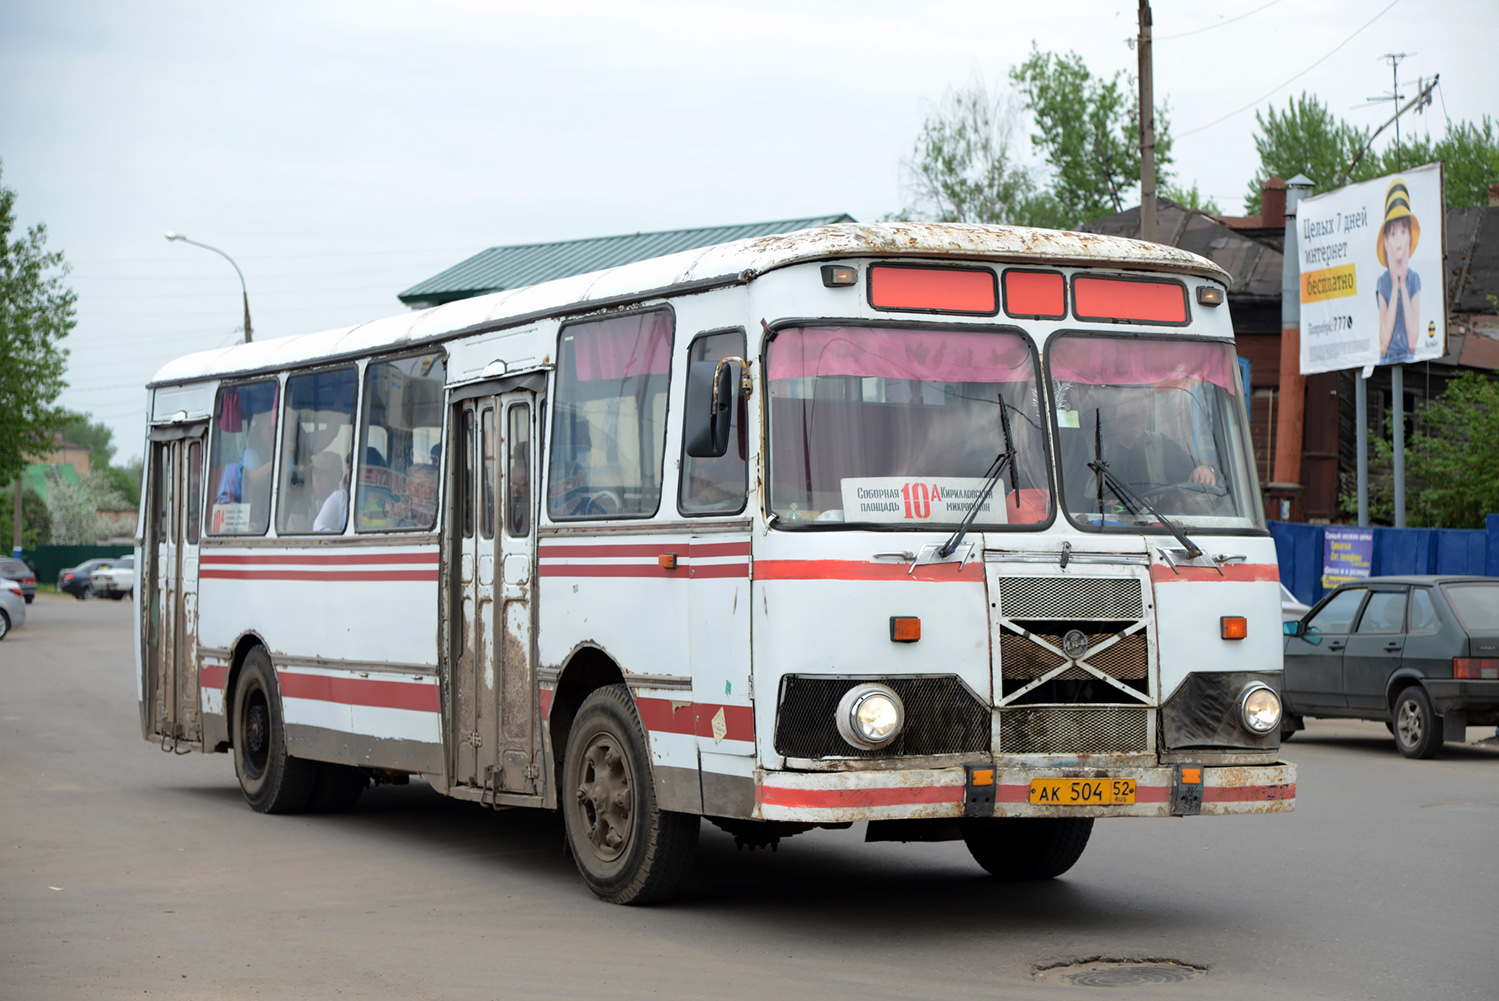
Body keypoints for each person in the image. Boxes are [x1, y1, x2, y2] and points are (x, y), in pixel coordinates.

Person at [1099, 392, 1217, 494]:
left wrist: (1204, 470)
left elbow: (1196, 470)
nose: (1137, 419)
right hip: (1104, 519)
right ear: (1111, 414)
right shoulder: (1094, 447)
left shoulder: (1161, 444)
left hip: (1156, 520)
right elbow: (1082, 501)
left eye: (1142, 412)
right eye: (1131, 413)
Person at [1375, 178, 1423, 365]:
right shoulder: (1383, 283)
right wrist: (1395, 288)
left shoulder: (1414, 280)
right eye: (1393, 233)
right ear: (1386, 241)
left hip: (1411, 365)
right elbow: (1383, 345)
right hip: (1385, 367)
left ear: (1410, 237)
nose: (1399, 242)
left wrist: (1403, 284)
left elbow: (1412, 344)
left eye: (1403, 232)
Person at [310, 451, 348, 533]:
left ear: (339, 475)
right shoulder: (302, 508)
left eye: (323, 472)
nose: (317, 478)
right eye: (315, 472)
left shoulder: (343, 500)